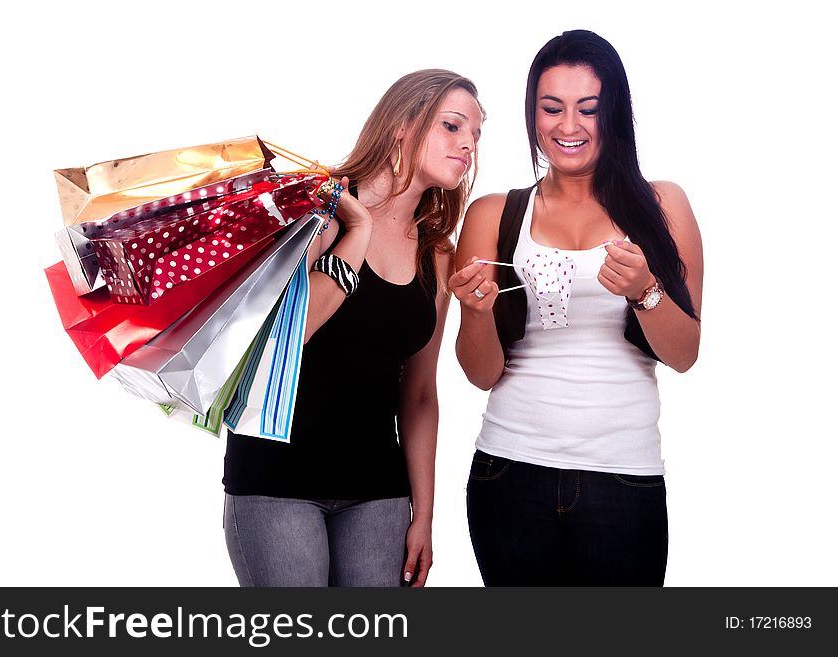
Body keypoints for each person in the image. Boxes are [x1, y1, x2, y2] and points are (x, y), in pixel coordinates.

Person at [449, 30, 702, 586]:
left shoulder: (662, 205)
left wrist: (646, 290)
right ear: (531, 115)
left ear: (614, 115)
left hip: (624, 480)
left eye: (588, 109)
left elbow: (684, 354)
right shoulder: (494, 214)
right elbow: (480, 373)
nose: (568, 127)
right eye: (551, 108)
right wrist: (475, 312)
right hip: (508, 472)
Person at [223, 70, 484, 587]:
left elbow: (420, 394)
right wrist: (358, 229)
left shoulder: (436, 252)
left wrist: (425, 514)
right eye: (453, 126)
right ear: (402, 126)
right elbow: (283, 339)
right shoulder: (320, 209)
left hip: (378, 493)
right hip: (276, 481)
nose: (468, 144)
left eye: (476, 134)